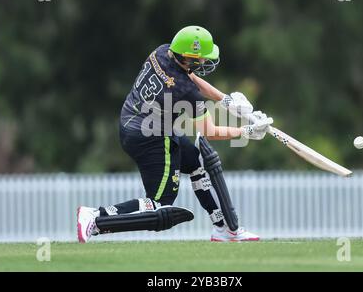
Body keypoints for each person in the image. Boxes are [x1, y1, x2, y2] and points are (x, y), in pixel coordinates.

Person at [77, 25, 272, 243]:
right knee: (160, 205)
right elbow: (210, 131)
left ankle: (224, 228)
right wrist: (247, 131)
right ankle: (96, 216)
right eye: (202, 58)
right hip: (149, 138)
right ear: (188, 58)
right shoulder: (186, 93)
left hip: (134, 122)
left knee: (198, 162)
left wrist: (226, 101)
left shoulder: (162, 52)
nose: (205, 62)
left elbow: (191, 78)